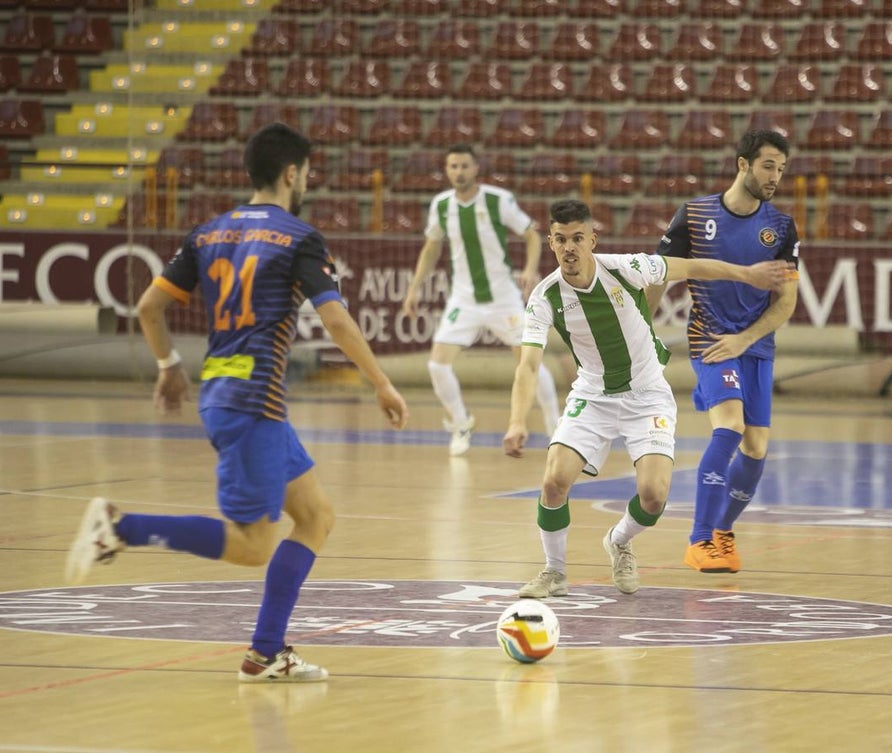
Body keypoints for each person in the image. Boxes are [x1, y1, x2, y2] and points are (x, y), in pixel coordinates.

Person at [64, 123, 410, 682]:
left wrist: (168, 367)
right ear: (291, 173)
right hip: (254, 401)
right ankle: (119, 527)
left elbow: (149, 308)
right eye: (308, 174)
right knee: (253, 546)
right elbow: (336, 319)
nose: (308, 182)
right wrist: (381, 382)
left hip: (226, 393)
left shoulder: (208, 233)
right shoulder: (298, 235)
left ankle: (265, 653)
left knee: (317, 516)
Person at [503, 199, 790, 598]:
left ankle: (619, 541)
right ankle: (554, 571)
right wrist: (518, 420)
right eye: (561, 239)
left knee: (654, 496)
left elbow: (690, 267)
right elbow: (528, 366)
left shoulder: (627, 269)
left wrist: (748, 274)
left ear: (592, 240)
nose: (570, 248)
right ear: (551, 241)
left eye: (578, 239)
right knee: (553, 481)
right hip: (594, 393)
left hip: (647, 394)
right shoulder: (544, 297)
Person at [646, 129, 801, 575]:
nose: (775, 176)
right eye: (768, 165)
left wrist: (746, 340)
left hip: (754, 345)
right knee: (730, 428)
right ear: (743, 164)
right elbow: (660, 276)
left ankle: (722, 533)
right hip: (710, 338)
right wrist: (641, 332)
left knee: (756, 449)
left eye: (781, 169)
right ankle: (698, 540)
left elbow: (786, 303)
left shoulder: (781, 227)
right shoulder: (695, 215)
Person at [401, 143, 561, 456]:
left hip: (503, 297)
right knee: (437, 365)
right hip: (464, 299)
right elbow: (431, 247)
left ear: (476, 169)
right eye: (452, 167)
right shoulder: (442, 205)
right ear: (446, 171)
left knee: (529, 360)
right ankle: (461, 423)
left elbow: (530, 233)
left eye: (464, 166)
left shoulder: (497, 200)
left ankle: (556, 427)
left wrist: (529, 269)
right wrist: (414, 287)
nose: (458, 172)